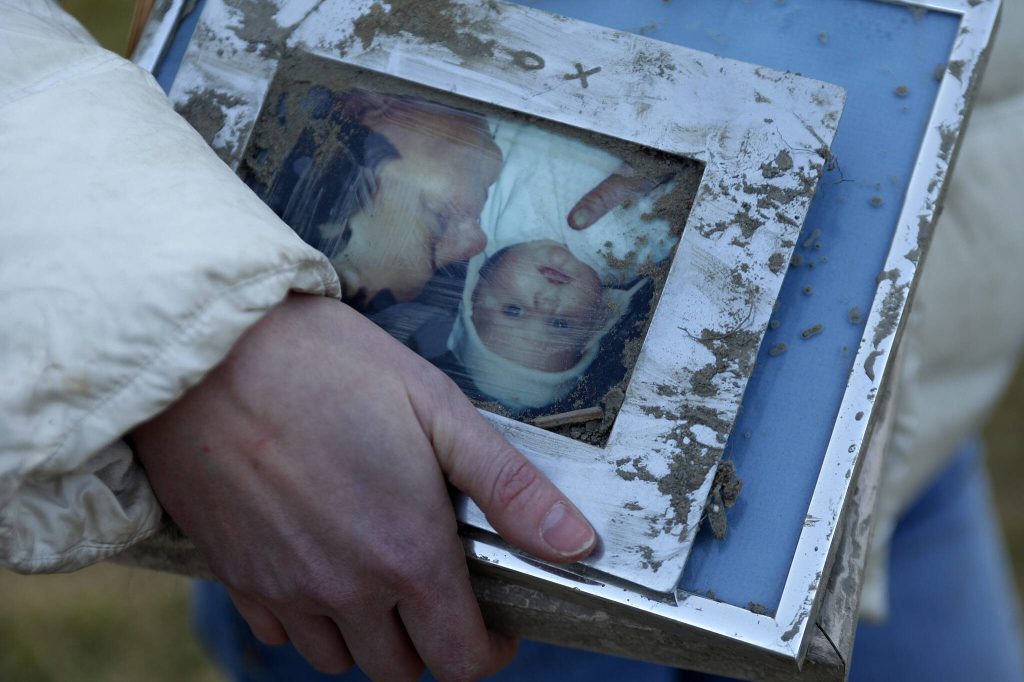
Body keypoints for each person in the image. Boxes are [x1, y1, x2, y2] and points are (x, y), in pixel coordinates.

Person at [0, 2, 598, 680]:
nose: (477, 243)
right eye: (445, 253)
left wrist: (209, 332)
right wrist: (210, 348)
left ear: (365, 103)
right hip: (358, 547)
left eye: (437, 223)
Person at [448, 119, 680, 409]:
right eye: (560, 324)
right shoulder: (632, 256)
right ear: (598, 319)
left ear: (477, 287)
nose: (545, 302)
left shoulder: (488, 210)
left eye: (514, 310)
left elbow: (487, 127)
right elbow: (681, 190)